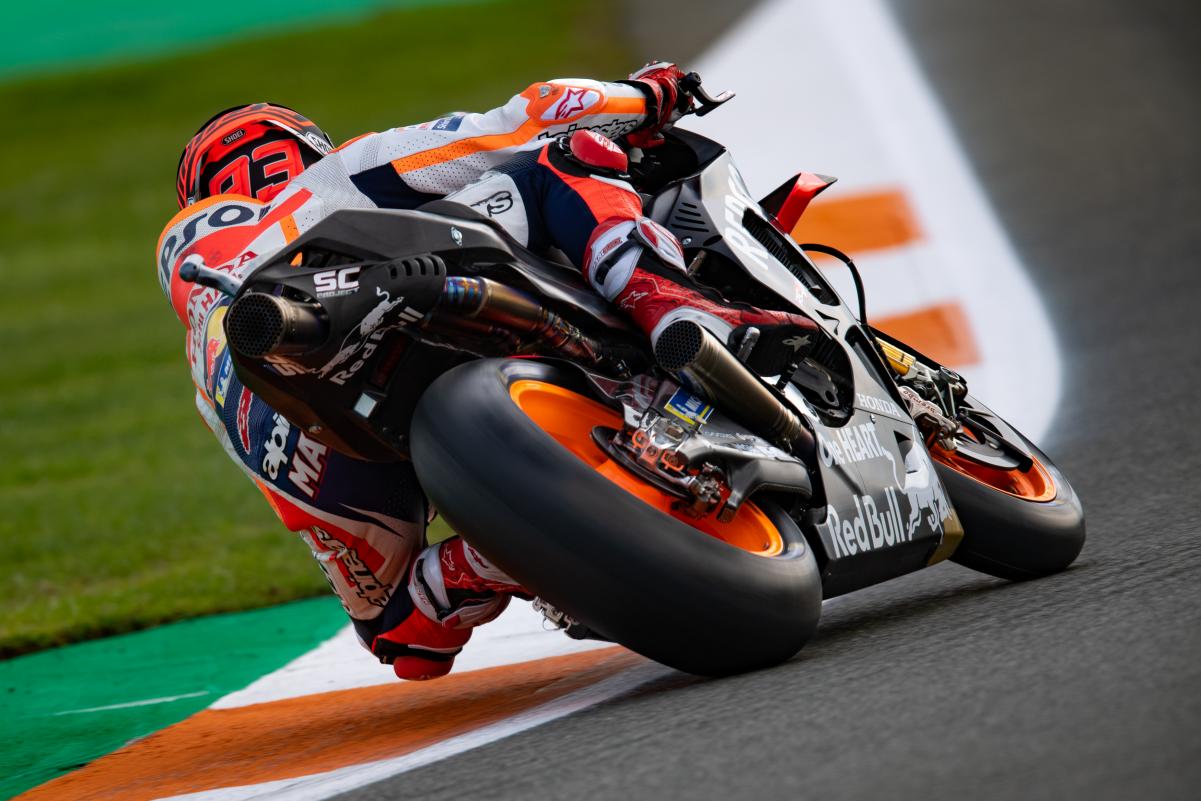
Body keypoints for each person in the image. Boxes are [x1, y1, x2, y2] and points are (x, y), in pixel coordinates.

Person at [156, 62, 817, 680]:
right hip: (393, 294)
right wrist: (646, 96)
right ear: (301, 149)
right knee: (565, 155)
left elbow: (415, 655)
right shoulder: (329, 178)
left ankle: (475, 564)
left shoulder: (204, 366)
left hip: (295, 425)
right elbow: (525, 117)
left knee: (399, 631)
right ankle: (678, 308)